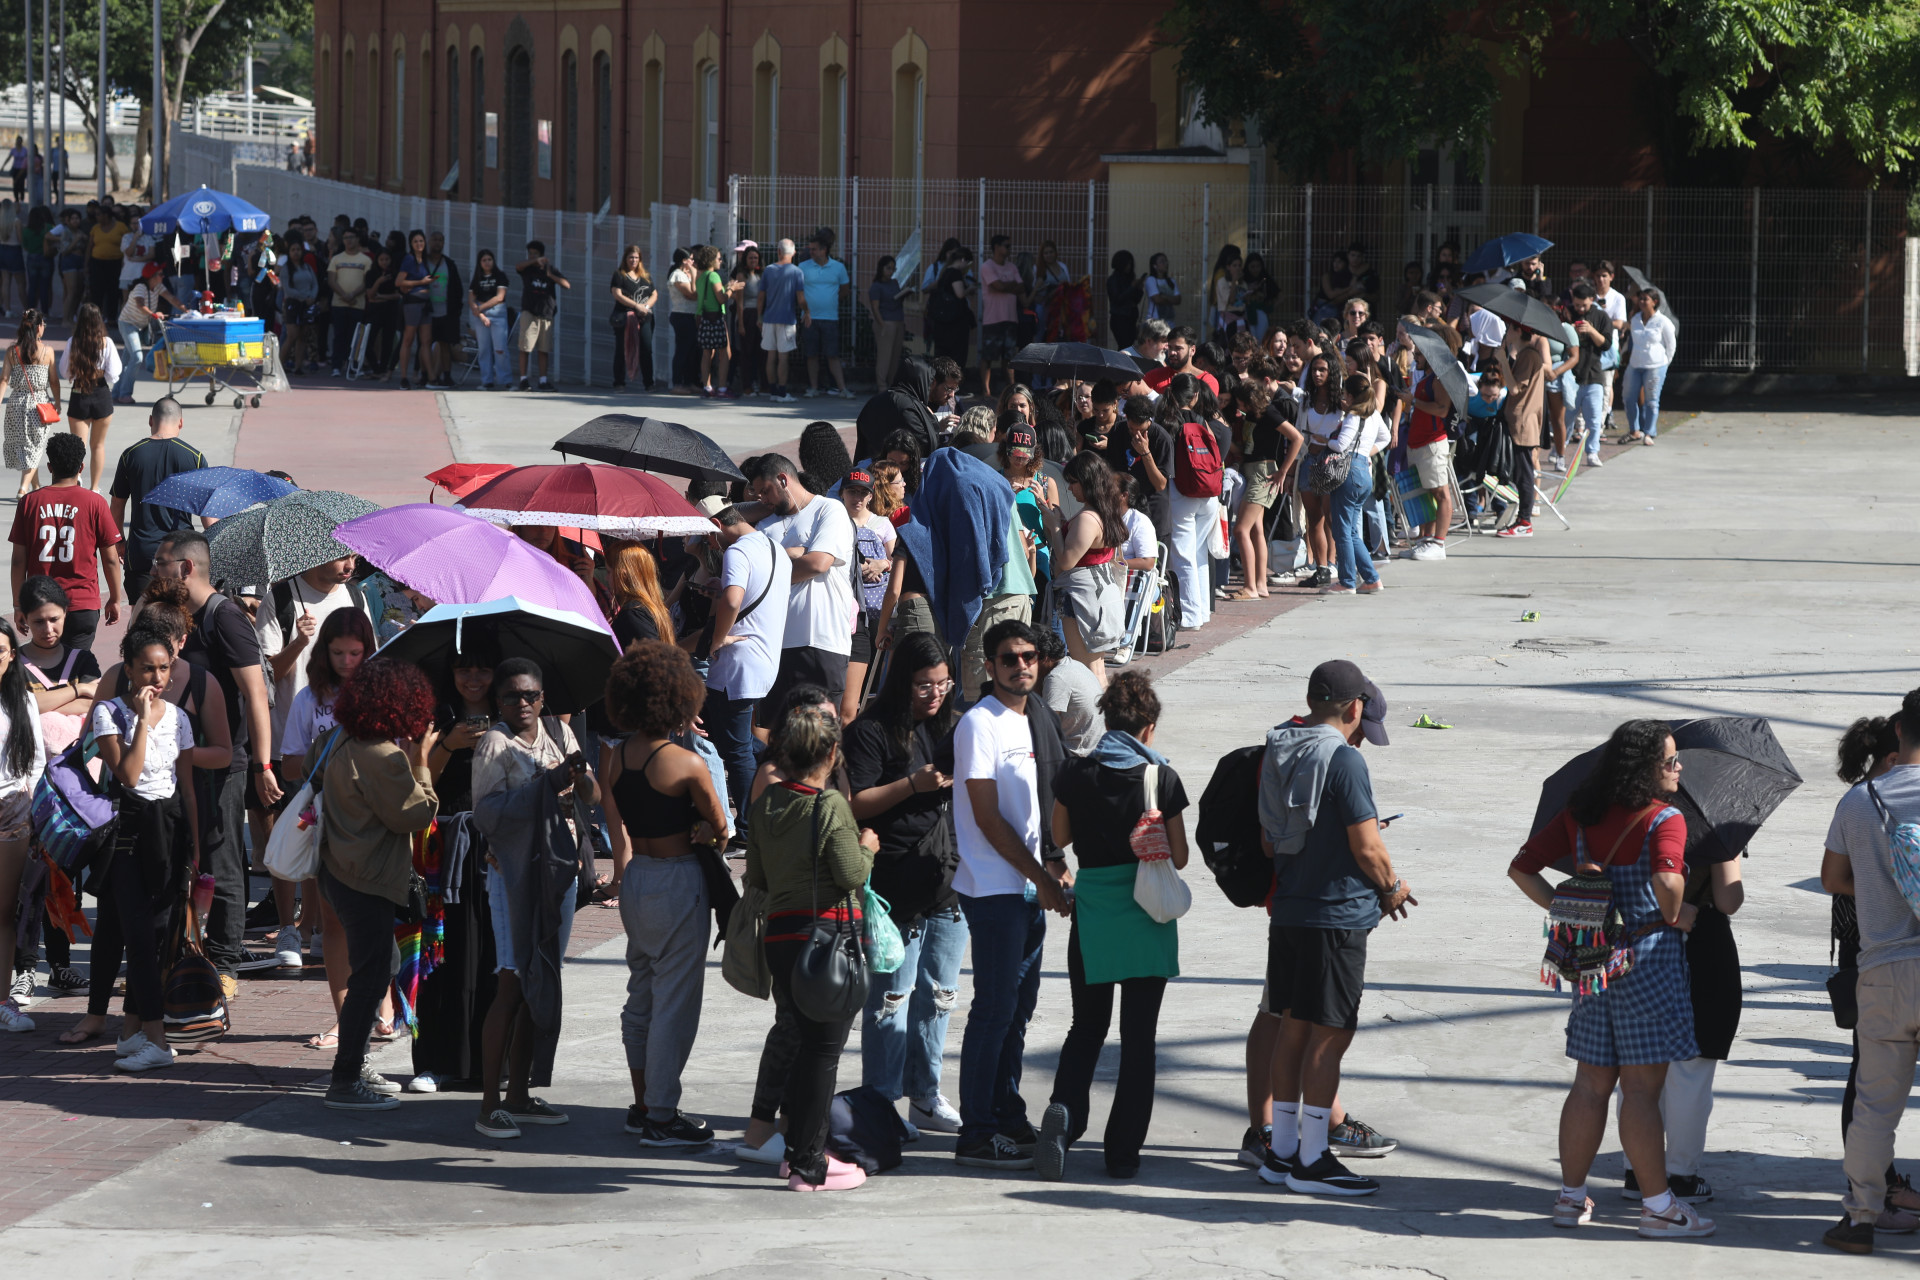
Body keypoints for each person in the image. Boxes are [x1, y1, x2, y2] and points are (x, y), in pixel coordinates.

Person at [1508, 718, 1714, 1238]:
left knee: (1590, 1082)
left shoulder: (1581, 813)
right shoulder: (1665, 818)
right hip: (1645, 959)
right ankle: (1659, 1207)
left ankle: (1570, 1198)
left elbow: (1522, 868)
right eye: (1670, 761)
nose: (1678, 768)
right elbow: (1667, 882)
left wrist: (1568, 903)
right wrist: (1678, 911)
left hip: (1589, 959)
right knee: (1642, 1091)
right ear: (1647, 769)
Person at [1256, 660, 1410, 1198]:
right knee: (1332, 1034)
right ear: (1354, 708)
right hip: (1335, 916)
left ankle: (1281, 1153)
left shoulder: (1282, 746)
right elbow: (1367, 846)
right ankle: (1315, 1158)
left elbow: (1271, 840)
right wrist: (1392, 886)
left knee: (1293, 1026)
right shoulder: (1343, 760)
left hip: (1292, 910)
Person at [1034, 671, 1187, 1180]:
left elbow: (1059, 834)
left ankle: (1066, 1113)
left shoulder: (1077, 774)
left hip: (1094, 915)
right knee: (1138, 1038)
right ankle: (1122, 1154)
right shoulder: (1160, 779)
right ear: (1148, 725)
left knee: (1087, 1026)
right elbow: (1181, 857)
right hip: (1147, 913)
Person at [742, 700, 878, 1190]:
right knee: (823, 1053)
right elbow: (849, 874)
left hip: (781, 936)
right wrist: (867, 847)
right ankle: (808, 1165)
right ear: (832, 754)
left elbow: (756, 875)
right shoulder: (830, 805)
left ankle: (796, 1152)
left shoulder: (767, 804)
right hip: (826, 940)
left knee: (803, 1046)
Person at [952, 619, 1072, 1170]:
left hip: (1027, 888)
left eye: (1028, 656)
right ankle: (976, 1131)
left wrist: (1052, 864)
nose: (1021, 665)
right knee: (994, 1009)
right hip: (994, 888)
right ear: (990, 666)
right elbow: (988, 818)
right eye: (1009, 658)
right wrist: (1040, 877)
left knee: (1018, 1012)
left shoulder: (1033, 720)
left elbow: (1039, 808)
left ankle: (1005, 1112)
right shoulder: (981, 725)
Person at [602, 642, 729, 1147]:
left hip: (638, 879)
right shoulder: (686, 765)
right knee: (675, 1002)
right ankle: (661, 1113)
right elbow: (721, 830)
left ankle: (642, 1104)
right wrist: (707, 831)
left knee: (642, 996)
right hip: (679, 880)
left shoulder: (613, 759)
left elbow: (620, 832)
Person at [843, 631, 967, 1134]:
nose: (934, 695)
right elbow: (857, 803)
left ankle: (925, 1094)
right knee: (890, 1002)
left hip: (948, 879)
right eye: (923, 686)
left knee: (939, 994)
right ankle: (881, 1103)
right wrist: (912, 785)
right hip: (894, 883)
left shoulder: (952, 726)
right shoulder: (873, 729)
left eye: (942, 684)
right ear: (902, 682)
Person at [470, 658, 598, 1138]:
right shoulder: (495, 743)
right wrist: (547, 783)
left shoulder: (561, 735)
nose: (521, 704)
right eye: (510, 697)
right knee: (512, 981)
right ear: (497, 701)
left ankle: (520, 1094)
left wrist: (578, 777)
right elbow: (487, 814)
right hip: (513, 877)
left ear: (543, 697)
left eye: (530, 696)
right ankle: (489, 1105)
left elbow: (591, 796)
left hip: (558, 872)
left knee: (540, 975)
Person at [63, 622, 200, 1068]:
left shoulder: (179, 718)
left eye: (163, 670)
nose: (156, 679)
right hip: (128, 832)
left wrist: (195, 845)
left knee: (159, 936)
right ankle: (157, 1042)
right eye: (146, 670)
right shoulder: (110, 713)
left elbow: (186, 784)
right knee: (136, 934)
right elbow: (129, 775)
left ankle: (133, 1031)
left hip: (169, 830)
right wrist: (141, 719)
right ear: (129, 669)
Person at [310, 658, 438, 1110]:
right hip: (367, 878)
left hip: (337, 871)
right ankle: (345, 1080)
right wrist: (421, 762)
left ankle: (356, 1062)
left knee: (378, 965)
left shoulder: (339, 738)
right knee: (370, 975)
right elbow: (415, 814)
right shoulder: (384, 756)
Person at [152, 530, 278, 984]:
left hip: (224, 763)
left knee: (222, 861)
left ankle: (224, 963)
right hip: (177, 760)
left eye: (160, 563)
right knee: (181, 857)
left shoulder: (224, 618)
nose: (153, 571)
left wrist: (262, 765)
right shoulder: (173, 616)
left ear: (186, 569)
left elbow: (256, 693)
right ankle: (182, 955)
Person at [1820, 691, 1920, 1253]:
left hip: (1882, 969)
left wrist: (1887, 888)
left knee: (1874, 1107)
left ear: (1900, 729)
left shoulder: (1860, 801)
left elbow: (1832, 877)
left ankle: (1860, 1218)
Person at [281, 609, 381, 1025]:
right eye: (337, 652)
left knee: (377, 921)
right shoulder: (310, 698)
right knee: (335, 922)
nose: (346, 661)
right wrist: (331, 758)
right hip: (325, 818)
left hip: (374, 820)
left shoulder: (381, 694)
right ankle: (346, 1016)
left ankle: (383, 1006)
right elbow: (288, 764)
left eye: (355, 652)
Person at [703, 504, 792, 845]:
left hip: (738, 663)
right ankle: (782, 768)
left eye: (709, 537)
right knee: (731, 736)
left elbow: (732, 600)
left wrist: (718, 637)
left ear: (717, 525)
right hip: (764, 660)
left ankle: (748, 828)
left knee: (735, 748)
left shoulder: (737, 551)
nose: (711, 545)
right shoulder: (774, 548)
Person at [744, 454, 857, 713]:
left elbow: (817, 564)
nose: (762, 498)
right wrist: (764, 507)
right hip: (774, 644)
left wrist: (769, 572)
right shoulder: (764, 523)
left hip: (819, 641)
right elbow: (726, 516)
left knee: (818, 735)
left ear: (783, 479)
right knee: (778, 736)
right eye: (758, 494)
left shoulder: (829, 509)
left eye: (766, 491)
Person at [8, 431, 122, 653]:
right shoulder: (95, 503)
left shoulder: (30, 503)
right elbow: (110, 560)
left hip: (41, 606)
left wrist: (18, 604)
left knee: (47, 667)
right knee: (76, 669)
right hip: (82, 604)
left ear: (50, 467)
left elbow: (17, 561)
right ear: (81, 467)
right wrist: (115, 598)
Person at [108, 397, 203, 609]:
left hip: (141, 554)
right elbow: (207, 512)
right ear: (180, 423)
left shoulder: (131, 455)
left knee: (142, 619)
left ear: (151, 420)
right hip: (181, 554)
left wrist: (119, 541)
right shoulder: (194, 457)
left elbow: (117, 504)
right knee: (180, 619)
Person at [0, 618, 46, 1033]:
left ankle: (3, 1002)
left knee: (5, 911)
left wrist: (28, 798)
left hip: (13, 810)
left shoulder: (22, 699)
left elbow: (35, 759)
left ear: (11, 655)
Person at [1051, 450, 1127, 687]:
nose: (1070, 489)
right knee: (1097, 669)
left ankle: (1097, 722)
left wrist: (1054, 526)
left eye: (1074, 482)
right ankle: (1105, 720)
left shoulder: (1088, 517)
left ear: (1087, 482)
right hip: (1101, 595)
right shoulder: (1107, 512)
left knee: (1087, 672)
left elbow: (1066, 561)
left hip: (1082, 597)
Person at [1227, 380, 1302, 599]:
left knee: (1241, 529)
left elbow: (1297, 438)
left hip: (1264, 472)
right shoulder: (1252, 414)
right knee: (1256, 530)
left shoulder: (1269, 412)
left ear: (1245, 399)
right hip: (1253, 470)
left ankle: (1250, 586)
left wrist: (1283, 472)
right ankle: (1260, 585)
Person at [1321, 372, 1389, 595]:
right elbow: (1386, 437)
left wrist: (1324, 440)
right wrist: (1366, 452)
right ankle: (1371, 579)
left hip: (1348, 473)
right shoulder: (1373, 415)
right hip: (1363, 472)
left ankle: (1347, 581)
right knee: (1351, 532)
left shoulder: (1353, 415)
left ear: (1350, 395)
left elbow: (1340, 445)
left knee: (1342, 531)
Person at [839, 469, 895, 723]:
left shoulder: (882, 524)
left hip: (877, 608)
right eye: (852, 491)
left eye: (863, 493)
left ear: (871, 496)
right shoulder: (835, 521)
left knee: (872, 667)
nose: (857, 498)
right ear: (842, 493)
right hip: (846, 607)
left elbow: (896, 559)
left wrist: (882, 564)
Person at [1492, 324, 1550, 538]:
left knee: (1524, 473)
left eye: (1509, 330)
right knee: (1520, 472)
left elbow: (1515, 388)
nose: (1506, 334)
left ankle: (1525, 521)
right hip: (1520, 420)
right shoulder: (1526, 355)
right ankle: (1521, 519)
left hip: (1523, 422)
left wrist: (1505, 361)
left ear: (1517, 331)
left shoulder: (1529, 355)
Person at [60, 303, 120, 491]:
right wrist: (100, 372)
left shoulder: (73, 342)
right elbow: (114, 372)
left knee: (78, 447)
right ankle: (95, 487)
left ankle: (76, 481)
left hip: (80, 393)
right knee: (98, 445)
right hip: (101, 394)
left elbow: (64, 371)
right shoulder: (106, 343)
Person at [4, 307, 59, 496]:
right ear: (37, 328)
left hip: (16, 403)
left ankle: (35, 486)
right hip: (38, 404)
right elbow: (53, 381)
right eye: (43, 324)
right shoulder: (47, 351)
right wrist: (57, 402)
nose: (44, 328)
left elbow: (3, 380)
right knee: (34, 447)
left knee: (25, 447)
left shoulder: (12, 351)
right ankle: (23, 488)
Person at [798, 229, 851, 398]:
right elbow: (798, 291)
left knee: (832, 355)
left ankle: (842, 389)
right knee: (811, 355)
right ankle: (814, 388)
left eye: (814, 249)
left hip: (830, 317)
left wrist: (830, 301)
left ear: (824, 250)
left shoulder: (838, 267)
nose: (810, 252)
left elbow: (844, 290)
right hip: (809, 318)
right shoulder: (802, 267)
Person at [1036, 627, 1103, 758]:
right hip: (1094, 746)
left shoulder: (1057, 678)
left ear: (1044, 658)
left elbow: (1046, 727)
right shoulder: (1073, 665)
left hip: (1077, 753)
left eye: (1028, 657)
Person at [513, 239, 570, 391]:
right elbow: (517, 266)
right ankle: (523, 379)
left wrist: (550, 275)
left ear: (542, 255)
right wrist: (533, 261)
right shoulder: (527, 269)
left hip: (546, 313)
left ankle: (543, 380)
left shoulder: (550, 269)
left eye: (535, 254)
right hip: (529, 311)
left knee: (544, 348)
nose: (532, 256)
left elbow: (566, 285)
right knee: (525, 346)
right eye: (530, 254)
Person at [1624, 288, 1677, 445]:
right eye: (1640, 299)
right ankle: (1634, 429)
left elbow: (1671, 345)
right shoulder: (1635, 319)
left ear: (1654, 302)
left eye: (1645, 299)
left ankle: (1649, 432)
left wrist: (1665, 362)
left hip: (1655, 366)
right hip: (1635, 364)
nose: (1641, 302)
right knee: (1628, 398)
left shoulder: (1663, 321)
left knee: (1652, 400)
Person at [978, 235, 1025, 397]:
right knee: (988, 356)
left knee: (1010, 358)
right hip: (993, 319)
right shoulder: (987, 266)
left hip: (1011, 319)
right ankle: (986, 391)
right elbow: (997, 285)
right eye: (1006, 245)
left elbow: (1021, 287)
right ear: (996, 247)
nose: (1009, 249)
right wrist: (1010, 286)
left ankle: (1012, 390)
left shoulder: (1012, 267)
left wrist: (1006, 287)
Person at [759, 238, 804, 402]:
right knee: (783, 357)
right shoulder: (796, 272)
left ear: (778, 251)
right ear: (793, 253)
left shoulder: (768, 270)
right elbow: (800, 299)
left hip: (769, 318)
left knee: (771, 356)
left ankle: (773, 391)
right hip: (787, 319)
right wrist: (807, 311)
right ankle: (782, 392)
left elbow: (761, 296)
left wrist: (759, 316)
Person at [608, 541, 675, 650]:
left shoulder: (633, 612)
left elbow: (652, 657)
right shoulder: (649, 606)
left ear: (623, 575)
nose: (606, 578)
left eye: (608, 572)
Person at [325, 230, 373, 378]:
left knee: (355, 336)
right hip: (339, 304)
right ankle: (336, 366)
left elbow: (367, 282)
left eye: (351, 237)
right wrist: (344, 295)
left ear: (358, 239)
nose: (348, 241)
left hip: (357, 304)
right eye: (345, 238)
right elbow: (331, 280)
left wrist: (352, 294)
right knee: (339, 335)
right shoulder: (336, 259)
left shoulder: (365, 260)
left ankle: (352, 366)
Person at [608, 244, 656, 390]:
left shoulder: (645, 276)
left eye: (636, 258)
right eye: (631, 257)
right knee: (622, 349)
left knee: (646, 349)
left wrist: (646, 307)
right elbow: (617, 294)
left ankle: (649, 383)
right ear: (625, 258)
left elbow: (654, 293)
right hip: (625, 317)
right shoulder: (619, 275)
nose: (633, 261)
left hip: (644, 317)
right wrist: (636, 306)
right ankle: (619, 382)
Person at [691, 244, 735, 398]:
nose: (721, 261)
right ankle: (722, 388)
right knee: (724, 352)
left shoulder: (700, 276)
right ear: (711, 259)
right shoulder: (714, 276)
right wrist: (731, 289)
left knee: (706, 352)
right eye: (718, 258)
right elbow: (721, 299)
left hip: (702, 316)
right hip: (715, 317)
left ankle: (707, 387)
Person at [467, 248, 511, 390]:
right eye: (484, 260)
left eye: (489, 259)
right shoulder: (477, 279)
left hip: (497, 313)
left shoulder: (500, 276)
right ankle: (487, 380)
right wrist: (480, 314)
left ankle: (505, 380)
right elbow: (471, 300)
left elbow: (500, 297)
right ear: (480, 263)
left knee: (500, 348)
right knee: (484, 349)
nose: (487, 262)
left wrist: (481, 308)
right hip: (481, 316)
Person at [866, 254, 909, 390]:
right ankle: (882, 386)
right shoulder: (876, 286)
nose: (891, 271)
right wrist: (882, 325)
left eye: (893, 269)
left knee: (895, 356)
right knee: (884, 356)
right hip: (885, 323)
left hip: (898, 321)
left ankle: (892, 385)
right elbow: (875, 307)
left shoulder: (895, 283)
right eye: (888, 268)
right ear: (881, 268)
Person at [728, 243, 763, 395]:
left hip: (760, 316)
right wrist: (740, 323)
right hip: (746, 315)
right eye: (750, 258)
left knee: (760, 352)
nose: (753, 260)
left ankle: (759, 383)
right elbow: (739, 302)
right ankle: (747, 386)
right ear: (745, 260)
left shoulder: (762, 274)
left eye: (756, 257)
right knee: (746, 353)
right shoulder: (741, 275)